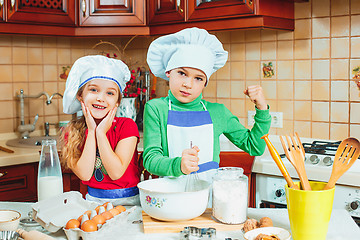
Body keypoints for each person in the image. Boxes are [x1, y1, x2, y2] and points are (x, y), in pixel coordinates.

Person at [143, 27, 271, 186]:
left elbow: (255, 147)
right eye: (182, 73)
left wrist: (262, 108)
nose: (188, 84)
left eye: (198, 78)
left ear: (205, 83)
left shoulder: (218, 112)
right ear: (169, 72)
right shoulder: (156, 109)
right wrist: (179, 165)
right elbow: (150, 159)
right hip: (171, 198)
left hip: (209, 198)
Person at [60, 55, 140, 205]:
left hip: (129, 203)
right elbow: (85, 174)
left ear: (117, 101)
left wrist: (101, 133)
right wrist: (91, 131)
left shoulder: (127, 126)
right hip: (93, 203)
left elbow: (116, 173)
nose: (101, 98)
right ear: (80, 96)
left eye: (110, 93)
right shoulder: (72, 131)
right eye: (94, 90)